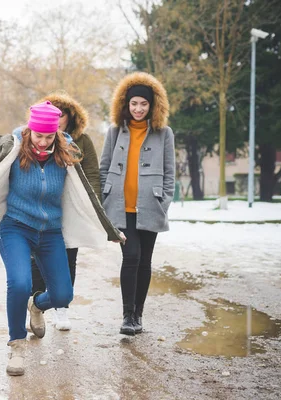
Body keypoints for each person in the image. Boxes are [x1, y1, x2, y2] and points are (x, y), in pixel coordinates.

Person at [0, 101, 125, 376]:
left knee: (63, 294)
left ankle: (37, 305)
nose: (43, 142)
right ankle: (16, 346)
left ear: (56, 132)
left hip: (51, 231)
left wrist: (109, 230)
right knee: (19, 283)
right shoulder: (14, 149)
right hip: (16, 228)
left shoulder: (65, 153)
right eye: (38, 135)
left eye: (49, 136)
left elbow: (85, 194)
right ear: (30, 130)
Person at [99, 72, 175, 336]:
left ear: (153, 106)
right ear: (126, 104)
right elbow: (104, 167)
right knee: (131, 257)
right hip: (121, 208)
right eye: (134, 104)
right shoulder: (114, 132)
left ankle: (138, 314)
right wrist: (102, 202)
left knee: (145, 261)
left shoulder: (164, 134)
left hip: (150, 206)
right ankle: (127, 315)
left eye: (144, 104)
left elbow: (170, 173)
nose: (139, 108)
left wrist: (163, 202)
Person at [29, 92, 102, 331]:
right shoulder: (34, 139)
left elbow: (92, 174)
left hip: (72, 210)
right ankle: (35, 306)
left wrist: (93, 207)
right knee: (36, 259)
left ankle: (62, 308)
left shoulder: (82, 141)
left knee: (69, 258)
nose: (58, 119)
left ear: (71, 117)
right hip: (41, 209)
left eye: (63, 115)